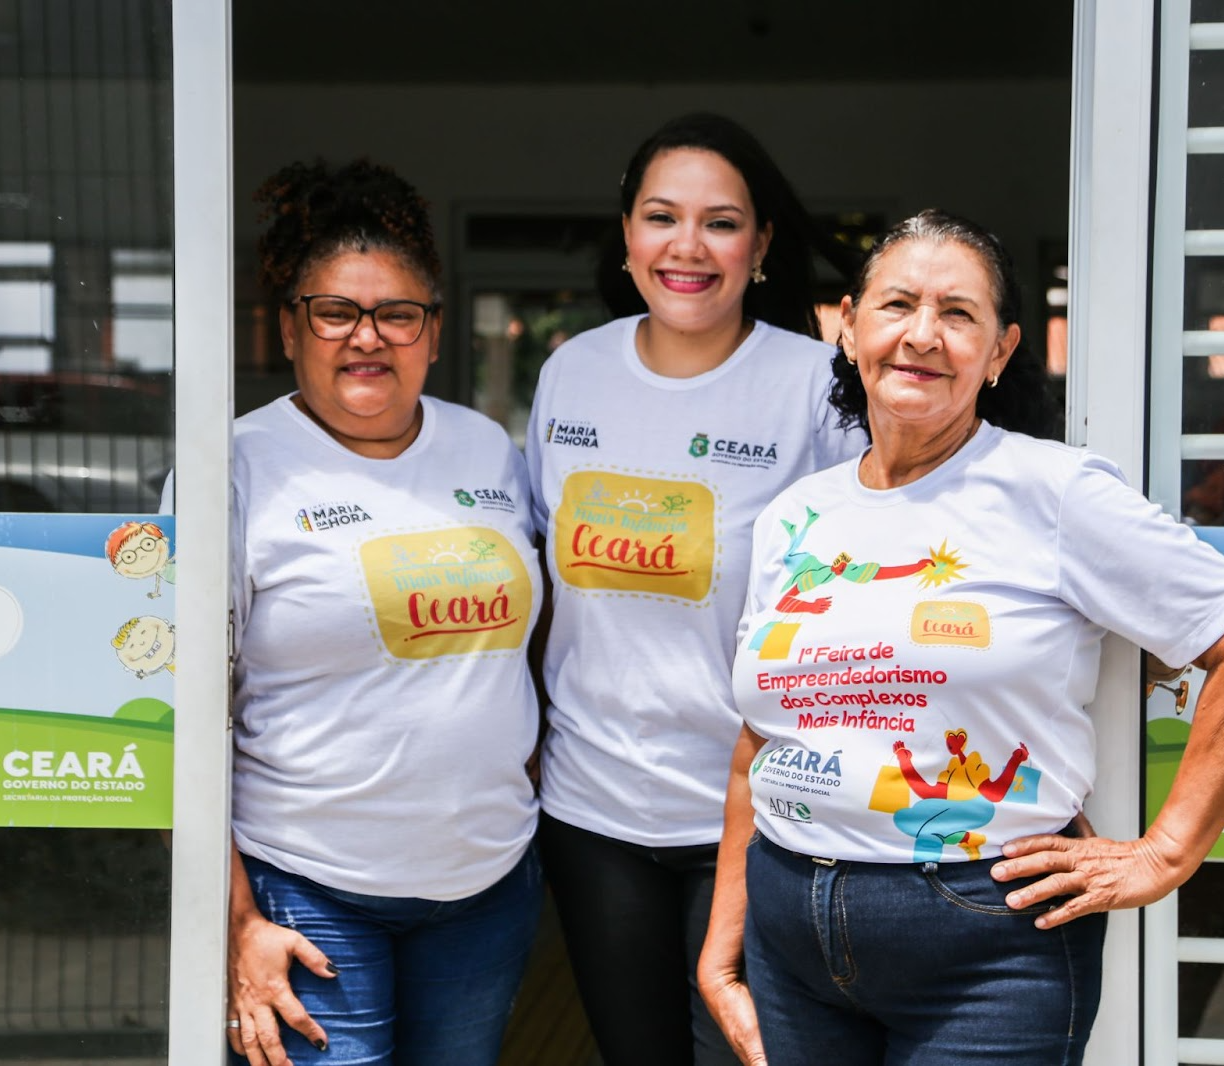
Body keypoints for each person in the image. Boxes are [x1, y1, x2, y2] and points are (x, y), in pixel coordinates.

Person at [698, 209, 1224, 1066]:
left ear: (1001, 351)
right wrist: (723, 947)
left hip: (983, 948)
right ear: (848, 329)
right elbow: (756, 743)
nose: (922, 335)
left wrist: (1166, 853)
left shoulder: (1053, 492)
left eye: (958, 314)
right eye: (898, 305)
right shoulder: (798, 515)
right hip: (789, 930)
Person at [524, 113, 864, 1066]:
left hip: (761, 812)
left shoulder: (815, 386)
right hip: (595, 808)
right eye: (661, 216)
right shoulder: (571, 373)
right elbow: (542, 577)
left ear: (759, 246)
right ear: (626, 235)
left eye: (720, 222)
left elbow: (869, 580)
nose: (687, 246)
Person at [225, 159, 543, 1066]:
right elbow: (182, 710)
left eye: (397, 314)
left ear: (432, 333)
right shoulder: (239, 467)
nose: (368, 338)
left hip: (485, 885)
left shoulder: (486, 447)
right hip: (310, 884)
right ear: (291, 327)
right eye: (335, 312)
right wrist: (237, 920)